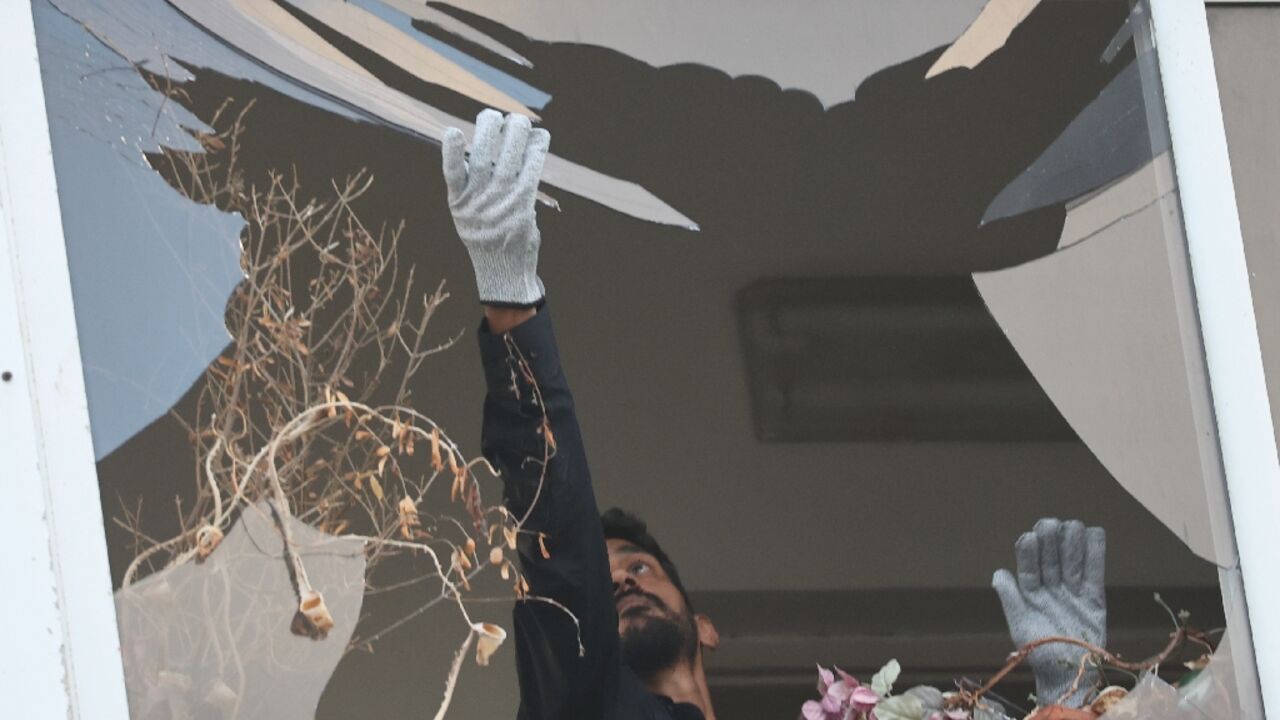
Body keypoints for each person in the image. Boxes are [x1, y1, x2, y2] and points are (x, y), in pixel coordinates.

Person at [440, 109, 1107, 720]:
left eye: (639, 567)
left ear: (706, 625)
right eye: (606, 572)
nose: (618, 578)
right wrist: (512, 310)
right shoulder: (585, 702)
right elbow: (558, 548)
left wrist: (1071, 695)